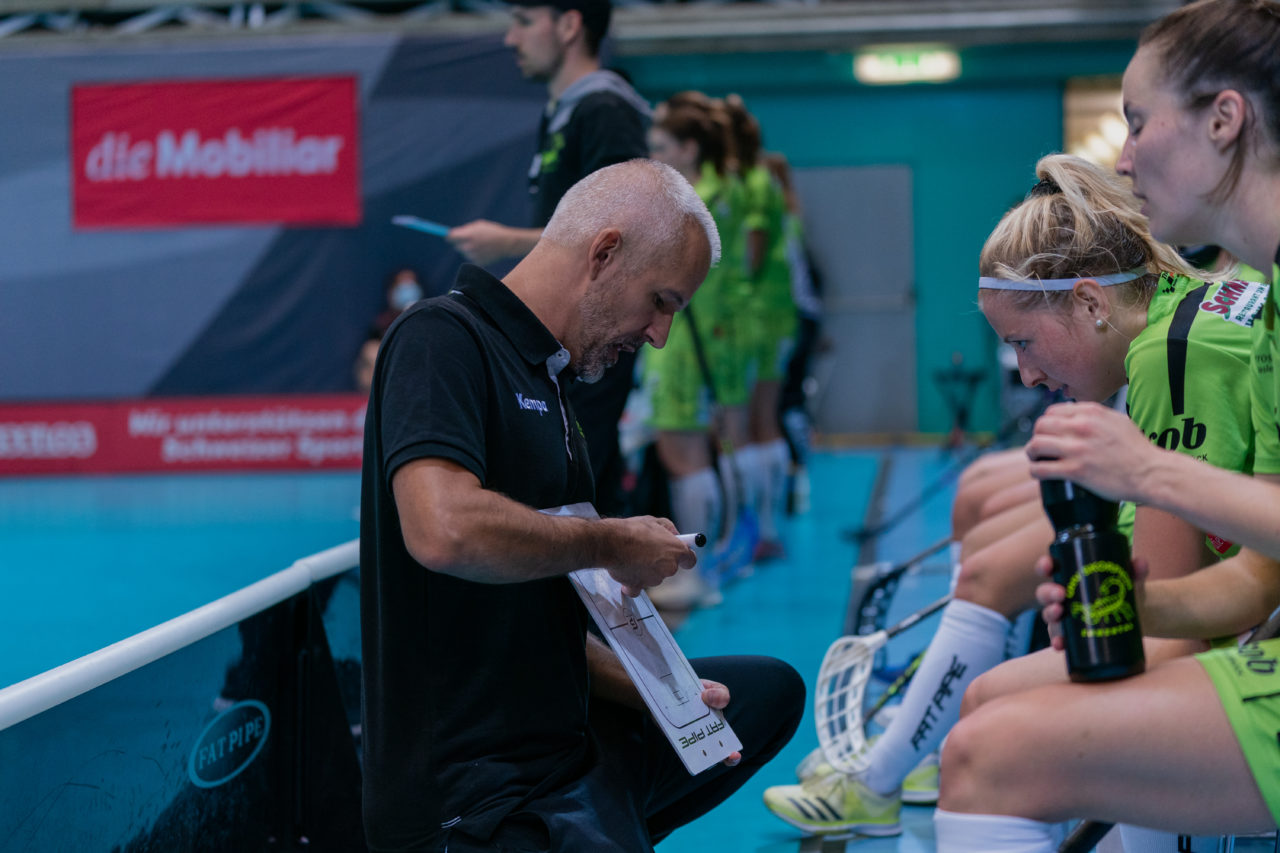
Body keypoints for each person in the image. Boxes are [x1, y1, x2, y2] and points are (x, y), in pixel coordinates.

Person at [764, 151, 1261, 839]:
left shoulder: (1168, 355)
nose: (1024, 375)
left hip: (1240, 646)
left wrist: (1092, 633)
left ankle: (891, 776)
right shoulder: (1173, 320)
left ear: (1089, 301)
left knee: (986, 708)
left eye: (1025, 343)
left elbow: (1165, 625)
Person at [360, 159, 805, 853]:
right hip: (475, 790)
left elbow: (550, 630)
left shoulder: (553, 385)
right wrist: (611, 541)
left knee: (767, 693)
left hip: (567, 744)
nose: (658, 335)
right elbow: (440, 529)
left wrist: (669, 694)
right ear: (604, 254)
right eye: (661, 302)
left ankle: (601, 817)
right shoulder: (441, 338)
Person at [934, 3, 1280, 849]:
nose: (1122, 159)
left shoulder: (1189, 340)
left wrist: (1151, 473)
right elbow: (1258, 578)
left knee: (988, 754)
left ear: (1224, 119)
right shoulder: (1267, 315)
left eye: (1136, 121)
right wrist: (1135, 602)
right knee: (985, 738)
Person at [447, 0, 652, 518]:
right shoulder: (562, 113)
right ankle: (626, 593)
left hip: (593, 337)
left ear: (568, 25)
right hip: (561, 338)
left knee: (575, 483)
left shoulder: (604, 110)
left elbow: (618, 233)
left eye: (522, 21)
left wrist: (508, 242)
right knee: (587, 481)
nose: (510, 39)